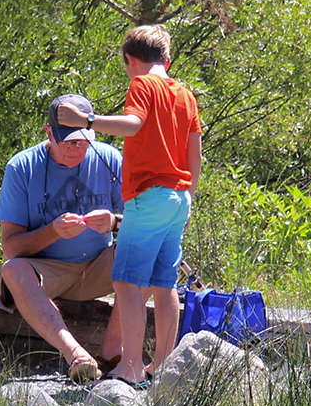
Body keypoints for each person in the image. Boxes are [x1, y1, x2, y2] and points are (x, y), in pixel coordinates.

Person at [57, 24, 202, 387]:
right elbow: (194, 147)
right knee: (163, 281)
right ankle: (165, 367)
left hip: (148, 196)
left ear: (130, 60)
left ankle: (132, 366)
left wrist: (86, 121)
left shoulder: (142, 84)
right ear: (166, 60)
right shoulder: (185, 93)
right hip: (179, 197)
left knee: (126, 281)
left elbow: (133, 125)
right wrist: (190, 195)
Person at [0, 93, 126, 383]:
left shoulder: (110, 158)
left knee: (150, 252)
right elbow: (11, 247)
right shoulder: (22, 167)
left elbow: (145, 222)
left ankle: (111, 352)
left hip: (98, 266)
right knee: (13, 271)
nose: (76, 150)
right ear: (49, 132)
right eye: (68, 141)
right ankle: (77, 355)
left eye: (82, 141)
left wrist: (114, 222)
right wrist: (52, 231)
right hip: (48, 272)